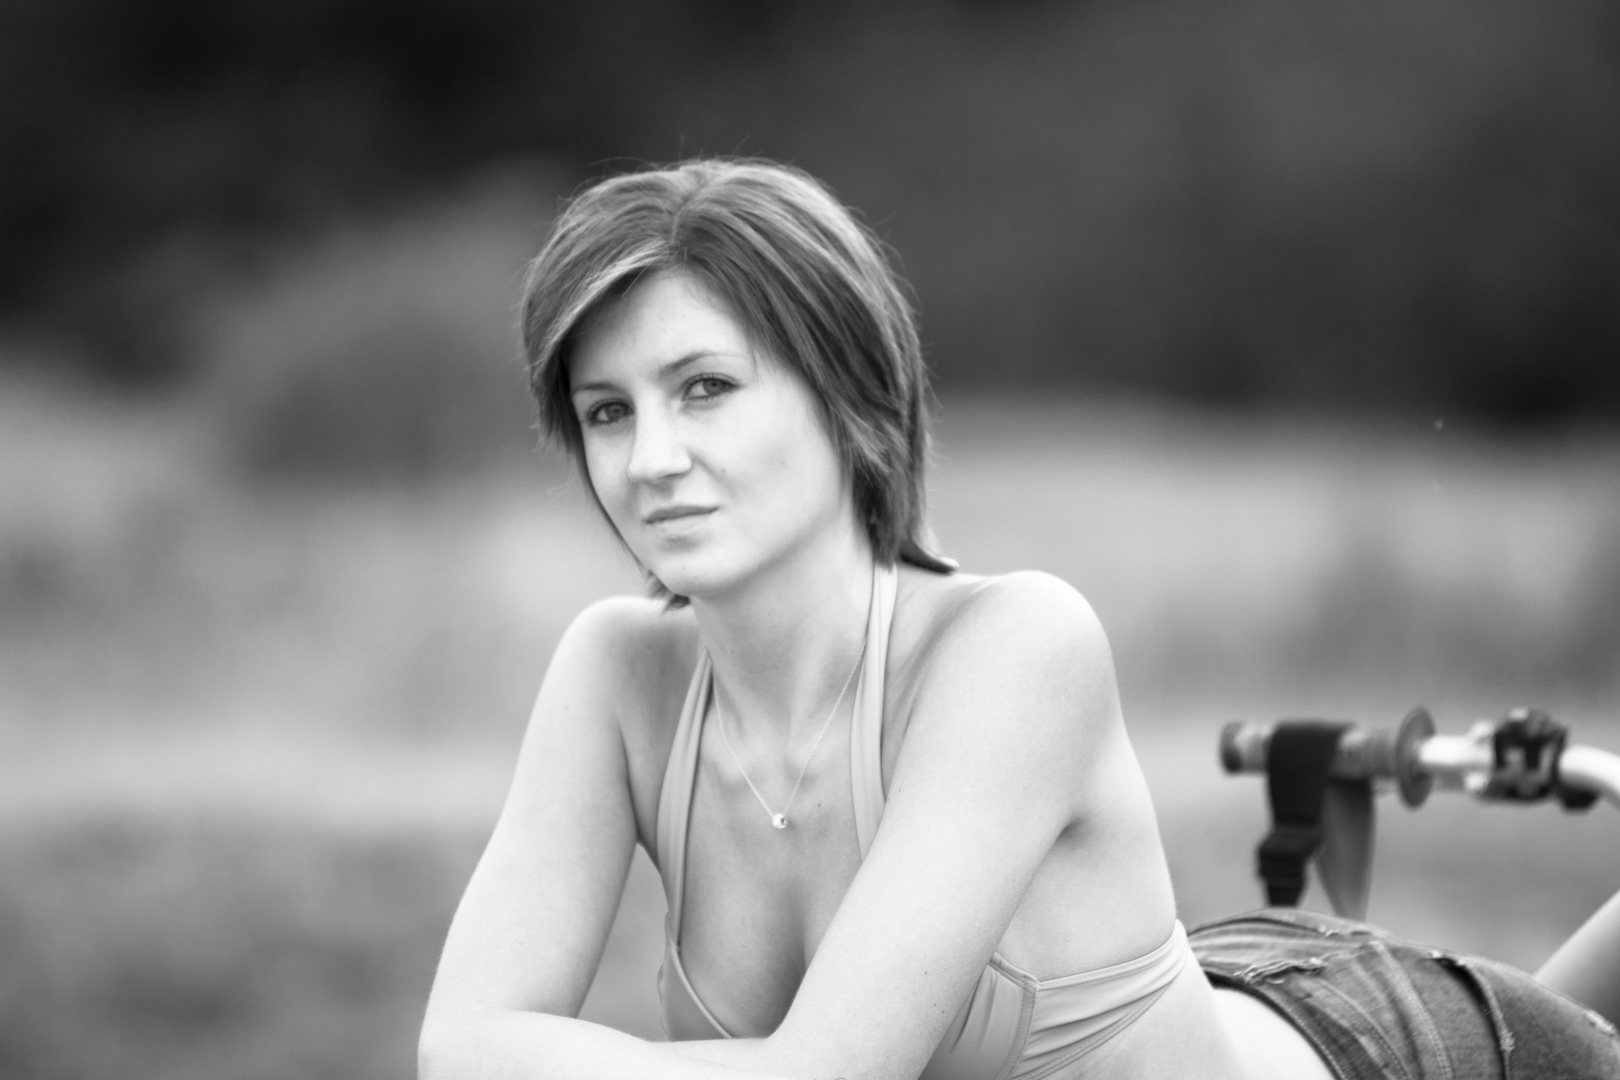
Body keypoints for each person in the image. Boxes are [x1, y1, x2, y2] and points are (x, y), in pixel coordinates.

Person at [418, 158, 1620, 1080]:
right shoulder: (617, 674)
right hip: (1226, 972)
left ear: (849, 397)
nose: (652, 459)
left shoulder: (1016, 648)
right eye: (609, 412)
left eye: (705, 389)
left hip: (1391, 1048)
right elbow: (456, 1047)